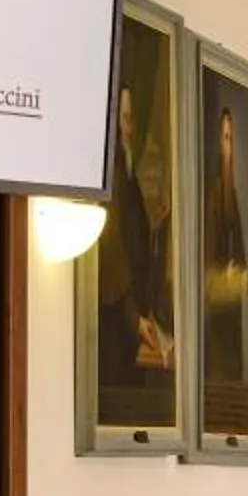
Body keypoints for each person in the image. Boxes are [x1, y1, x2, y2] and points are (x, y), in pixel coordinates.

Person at [99, 79, 175, 388]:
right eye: (125, 119)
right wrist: (133, 317)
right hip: (115, 326)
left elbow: (138, 241)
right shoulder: (113, 178)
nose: (130, 129)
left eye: (131, 120)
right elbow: (114, 257)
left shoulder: (127, 176)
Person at [202, 100, 248, 393]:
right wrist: (234, 281)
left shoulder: (232, 196)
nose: (229, 149)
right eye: (225, 139)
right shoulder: (210, 199)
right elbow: (204, 281)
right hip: (213, 331)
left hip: (232, 324)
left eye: (232, 139)